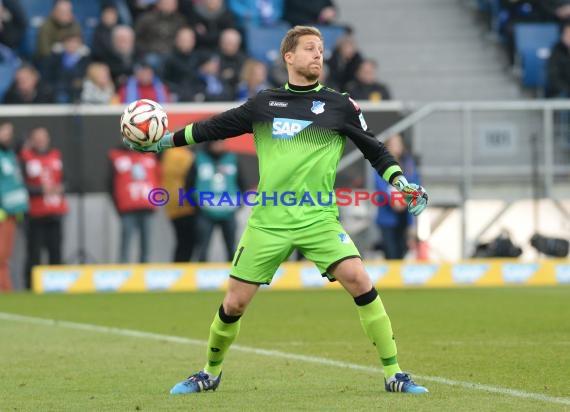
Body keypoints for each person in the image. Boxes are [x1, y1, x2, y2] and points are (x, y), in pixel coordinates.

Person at [122, 25, 429, 394]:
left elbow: (375, 150)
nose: (319, 55)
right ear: (289, 57)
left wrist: (400, 182)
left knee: (361, 280)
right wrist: (164, 143)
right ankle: (209, 372)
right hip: (269, 221)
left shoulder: (340, 105)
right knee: (234, 303)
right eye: (311, 49)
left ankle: (394, 373)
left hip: (318, 219)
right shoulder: (264, 105)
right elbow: (213, 128)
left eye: (321, 49)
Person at [20, 127, 68, 290]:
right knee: (34, 253)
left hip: (55, 212)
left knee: (56, 251)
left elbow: (65, 180)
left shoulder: (56, 156)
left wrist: (61, 188)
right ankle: (31, 286)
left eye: (43, 137)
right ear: (32, 140)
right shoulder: (25, 157)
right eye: (37, 137)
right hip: (35, 213)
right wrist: (40, 190)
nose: (41, 140)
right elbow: (20, 185)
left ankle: (56, 285)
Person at [192, 140, 243, 262]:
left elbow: (241, 182)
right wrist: (196, 205)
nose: (219, 146)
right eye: (216, 143)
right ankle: (200, 277)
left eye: (221, 143)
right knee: (202, 248)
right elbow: (189, 184)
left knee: (231, 247)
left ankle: (233, 276)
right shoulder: (199, 159)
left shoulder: (232, 159)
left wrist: (238, 203)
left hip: (228, 210)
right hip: (205, 211)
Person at [108, 144, 159, 263]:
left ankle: (144, 275)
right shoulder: (117, 156)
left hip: (147, 206)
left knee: (146, 244)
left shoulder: (151, 155)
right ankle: (122, 274)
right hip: (127, 207)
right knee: (126, 242)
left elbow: (158, 177)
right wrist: (118, 205)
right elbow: (110, 184)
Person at [373, 134, 419, 260]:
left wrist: (404, 200)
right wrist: (393, 200)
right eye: (393, 144)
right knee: (391, 253)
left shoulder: (408, 164)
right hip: (387, 218)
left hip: (404, 216)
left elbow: (414, 184)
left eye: (398, 144)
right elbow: (380, 184)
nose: (396, 147)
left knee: (403, 252)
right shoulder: (381, 164)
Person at [0, 122, 29, 291]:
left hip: (12, 211)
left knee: (5, 254)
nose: (7, 136)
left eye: (10, 132)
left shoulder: (9, 154)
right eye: (4, 131)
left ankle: (5, 287)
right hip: (2, 211)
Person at [160, 146, 198, 262]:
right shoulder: (184, 156)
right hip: (185, 203)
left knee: (182, 240)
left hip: (172, 203)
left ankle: (180, 268)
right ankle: (182, 269)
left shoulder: (166, 155)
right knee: (187, 241)